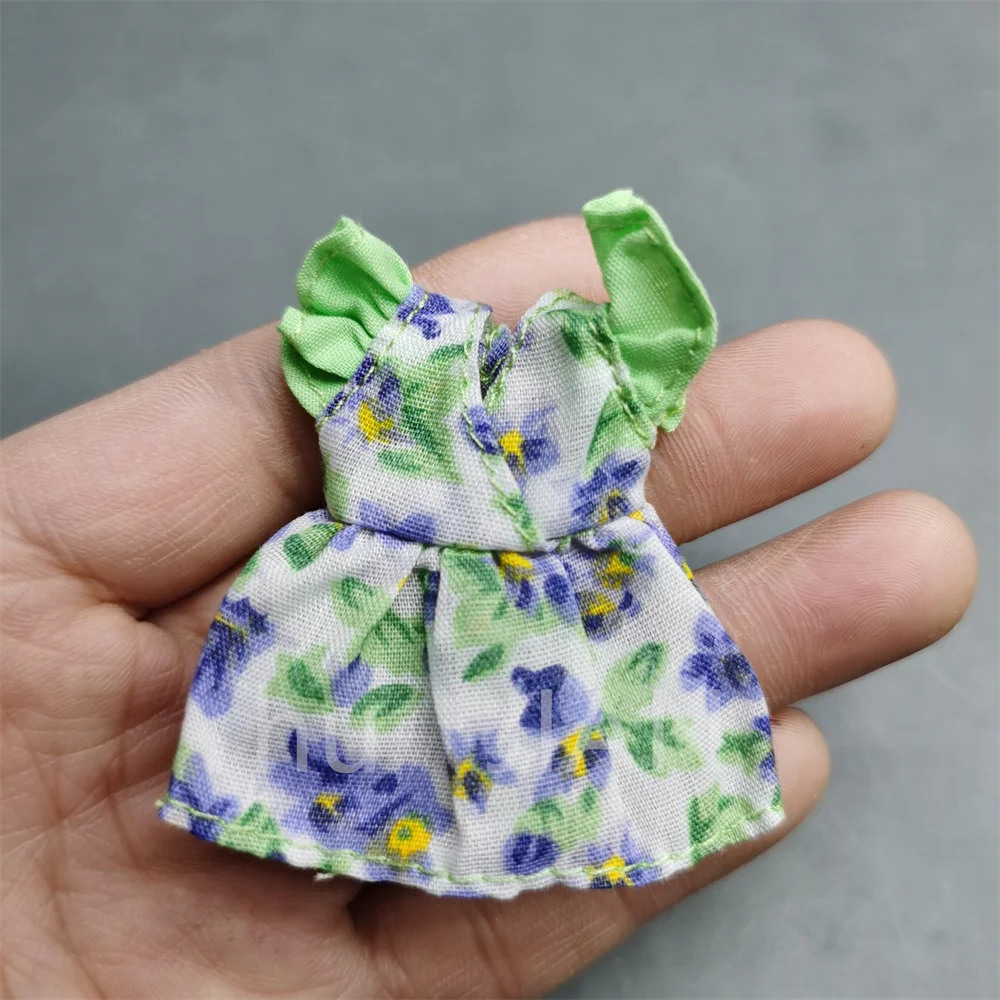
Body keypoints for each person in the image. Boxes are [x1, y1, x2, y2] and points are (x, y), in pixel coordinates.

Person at [0, 213, 976, 997]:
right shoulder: (379, 349)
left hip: (582, 598)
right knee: (344, 744)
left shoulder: (592, 367)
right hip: (378, 600)